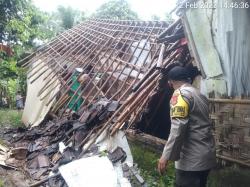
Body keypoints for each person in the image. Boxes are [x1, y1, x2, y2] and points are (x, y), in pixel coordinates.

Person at [158, 66, 216, 187]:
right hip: (206, 155)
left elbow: (178, 128)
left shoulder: (180, 95)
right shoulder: (199, 94)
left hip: (191, 160)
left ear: (170, 83)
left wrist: (165, 156)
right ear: (188, 79)